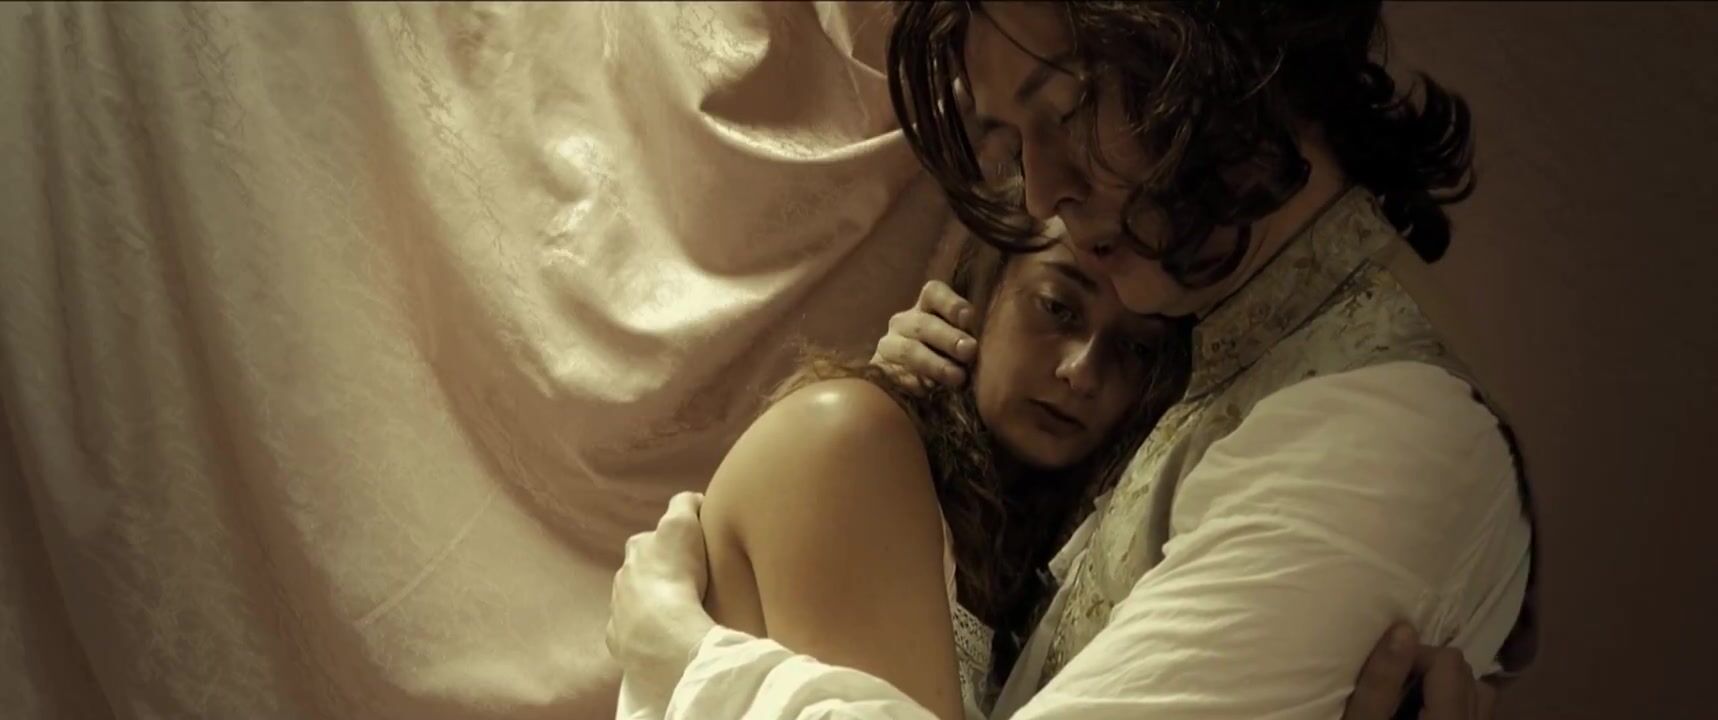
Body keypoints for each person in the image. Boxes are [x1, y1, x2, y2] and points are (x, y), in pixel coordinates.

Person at [610, 2, 1536, 719]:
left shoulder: (1383, 436)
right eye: (1013, 142)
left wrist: (691, 661)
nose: (1044, 189)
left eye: (1068, 107)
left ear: (1224, 55)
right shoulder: (1212, 388)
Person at [615, 238, 1189, 720]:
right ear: (976, 291)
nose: (1083, 372)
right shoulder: (847, 437)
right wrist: (682, 651)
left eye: (1136, 348)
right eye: (1057, 307)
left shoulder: (1031, 551)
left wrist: (686, 649)